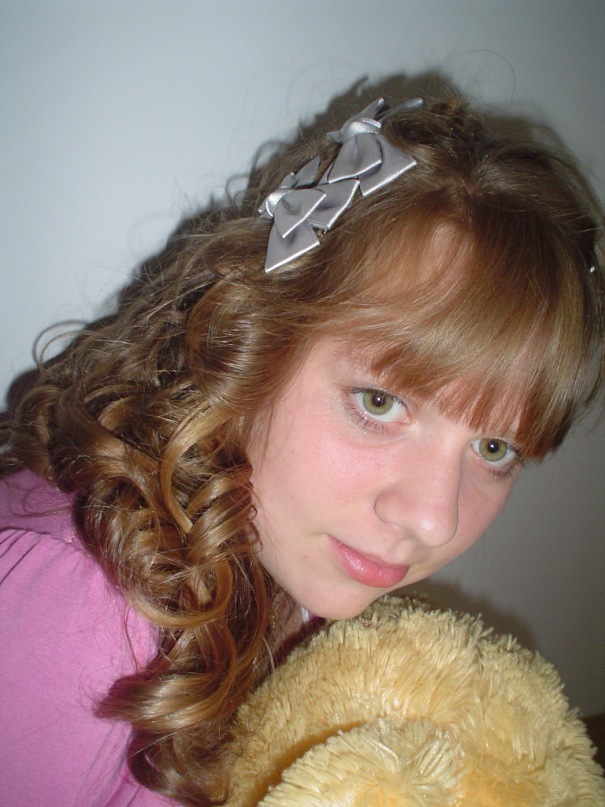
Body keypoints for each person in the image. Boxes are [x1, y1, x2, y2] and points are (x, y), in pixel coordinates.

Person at [0, 93, 603, 806]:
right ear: (248, 343)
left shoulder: (294, 577)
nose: (432, 520)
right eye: (378, 402)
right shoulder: (65, 614)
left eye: (495, 447)